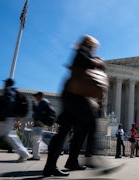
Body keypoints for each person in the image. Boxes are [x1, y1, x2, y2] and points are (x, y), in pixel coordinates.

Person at [43, 35, 115, 177]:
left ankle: (65, 163)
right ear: (90, 45)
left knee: (67, 131)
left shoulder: (82, 53)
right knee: (90, 123)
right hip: (74, 96)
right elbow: (84, 63)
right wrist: (97, 62)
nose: (95, 49)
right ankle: (90, 158)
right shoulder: (81, 53)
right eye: (94, 47)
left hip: (72, 96)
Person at [28, 91, 50, 160]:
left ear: (40, 96)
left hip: (39, 125)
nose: (35, 97)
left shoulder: (43, 102)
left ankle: (36, 156)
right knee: (34, 139)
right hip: (38, 125)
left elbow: (38, 113)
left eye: (36, 96)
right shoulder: (42, 103)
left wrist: (34, 106)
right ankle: (37, 154)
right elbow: (37, 112)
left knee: (36, 140)